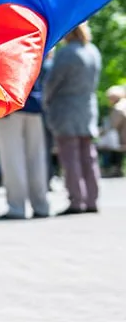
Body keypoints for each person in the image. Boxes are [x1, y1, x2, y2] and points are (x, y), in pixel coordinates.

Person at [44, 22, 103, 215]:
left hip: (66, 109)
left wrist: (46, 101)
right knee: (88, 156)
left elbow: (52, 82)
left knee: (70, 157)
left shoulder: (67, 53)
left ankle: (77, 200)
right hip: (87, 107)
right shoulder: (92, 51)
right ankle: (92, 199)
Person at [0, 68, 50, 219]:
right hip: (34, 101)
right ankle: (41, 204)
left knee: (12, 159)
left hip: (8, 100)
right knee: (36, 158)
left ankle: (17, 207)